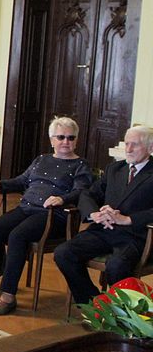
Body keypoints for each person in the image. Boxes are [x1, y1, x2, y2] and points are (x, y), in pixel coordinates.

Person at [0, 117, 92, 315]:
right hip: (27, 208)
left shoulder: (81, 165)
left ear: (76, 140)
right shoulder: (42, 160)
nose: (66, 141)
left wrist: (62, 199)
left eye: (71, 138)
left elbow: (82, 191)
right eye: (61, 137)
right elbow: (22, 181)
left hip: (54, 215)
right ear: (52, 140)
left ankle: (8, 296)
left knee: (18, 235)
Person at [54, 126, 153, 305]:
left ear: (150, 148)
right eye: (127, 144)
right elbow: (88, 194)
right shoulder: (114, 169)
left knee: (116, 266)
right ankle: (95, 304)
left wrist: (128, 219)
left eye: (135, 145)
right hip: (104, 229)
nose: (129, 149)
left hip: (136, 236)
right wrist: (95, 213)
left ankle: (121, 313)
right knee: (64, 253)